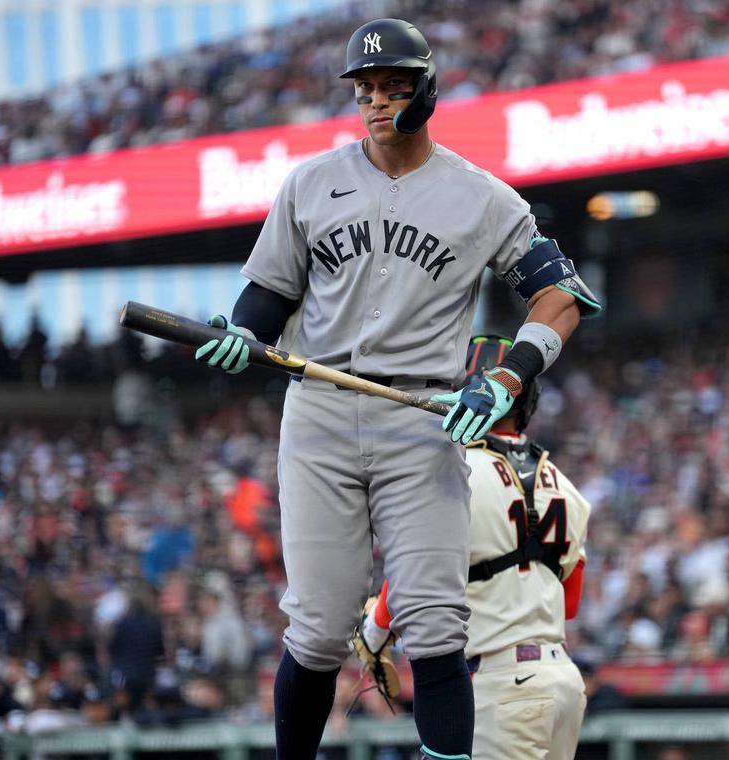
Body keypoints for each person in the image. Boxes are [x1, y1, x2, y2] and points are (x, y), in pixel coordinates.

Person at [192, 19, 599, 760]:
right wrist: (246, 336)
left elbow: (562, 299)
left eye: (393, 87)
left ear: (427, 89)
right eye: (367, 89)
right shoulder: (311, 182)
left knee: (436, 625)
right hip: (317, 408)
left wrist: (506, 377)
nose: (377, 102)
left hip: (422, 413)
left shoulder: (481, 196)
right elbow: (267, 296)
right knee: (316, 628)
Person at [356, 336, 592, 759]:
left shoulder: (456, 470)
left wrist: (375, 628)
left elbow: (418, 571)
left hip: (502, 685)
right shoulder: (567, 486)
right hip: (562, 682)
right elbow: (569, 603)